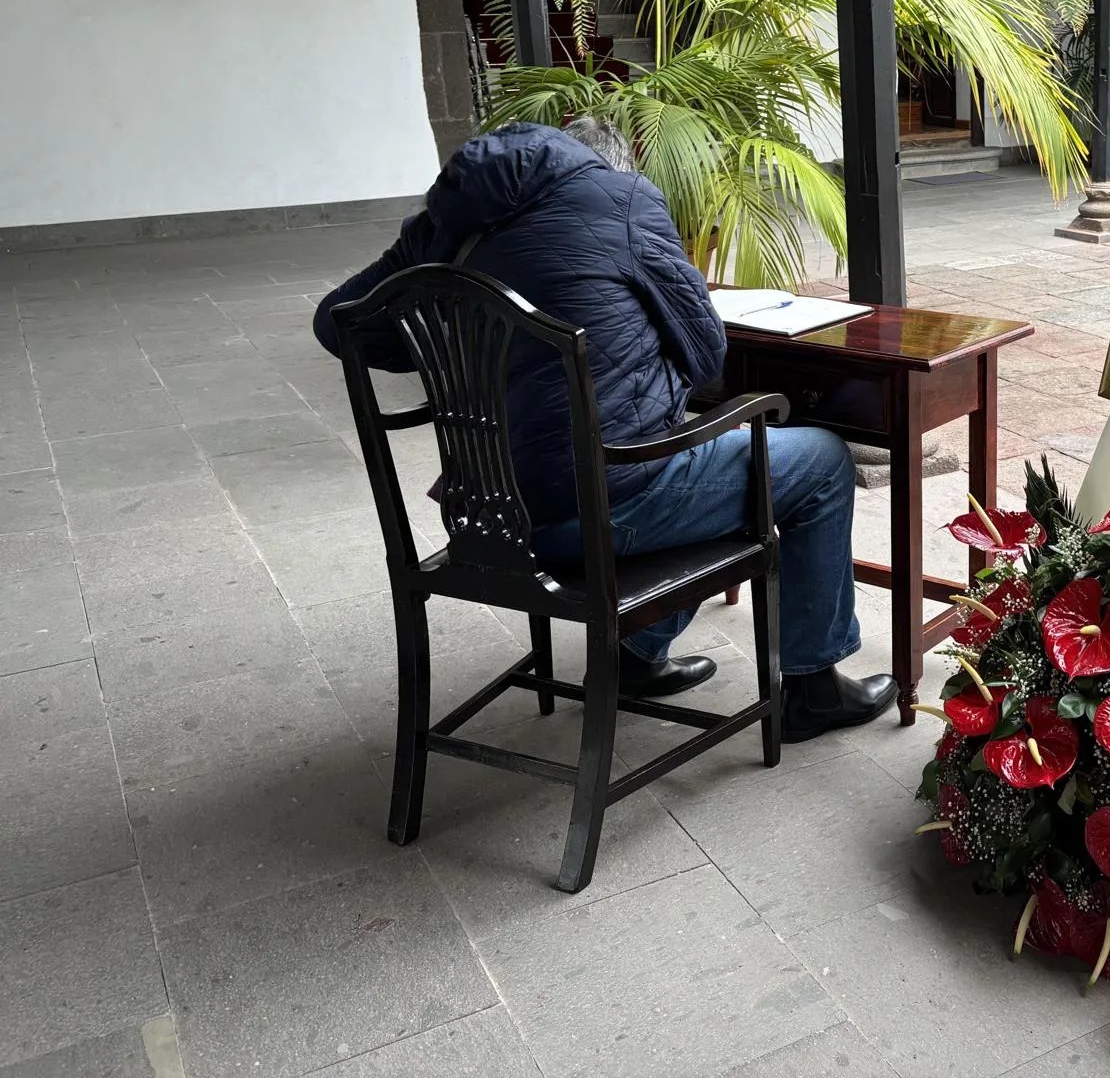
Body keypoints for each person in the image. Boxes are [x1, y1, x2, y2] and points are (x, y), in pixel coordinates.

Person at [312, 120, 896, 741]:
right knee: (819, 460)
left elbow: (338, 322)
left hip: (488, 517)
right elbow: (705, 355)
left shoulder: (445, 221)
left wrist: (460, 339)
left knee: (665, 456)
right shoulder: (623, 199)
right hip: (592, 516)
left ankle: (637, 660)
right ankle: (815, 687)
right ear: (606, 164)